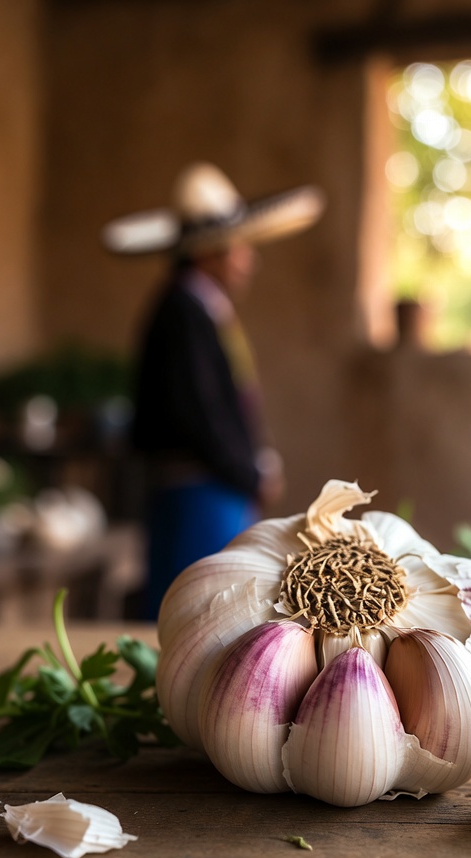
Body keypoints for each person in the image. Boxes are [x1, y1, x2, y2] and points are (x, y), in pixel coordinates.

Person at [102, 162, 324, 616]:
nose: (248, 260)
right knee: (203, 615)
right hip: (199, 494)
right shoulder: (184, 312)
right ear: (209, 252)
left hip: (209, 490)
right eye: (238, 248)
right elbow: (199, 413)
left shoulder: (195, 307)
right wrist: (249, 471)